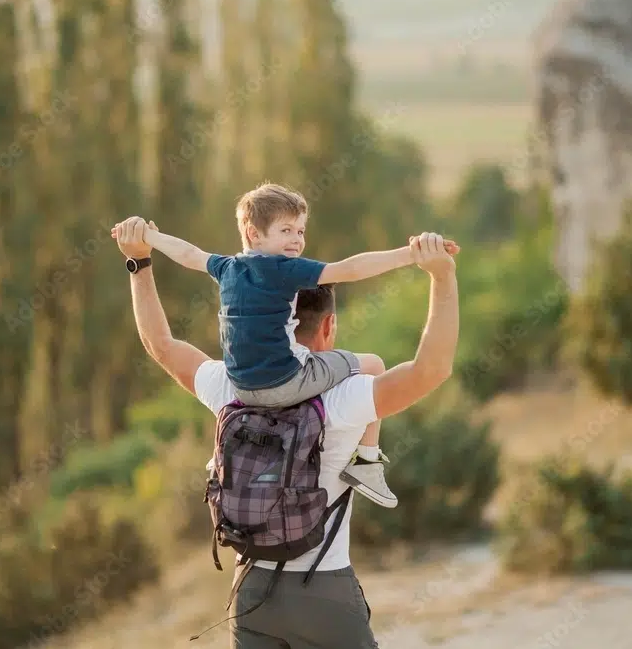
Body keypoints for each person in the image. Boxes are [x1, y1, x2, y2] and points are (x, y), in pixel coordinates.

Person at [113, 216, 460, 649]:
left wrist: (139, 264)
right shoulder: (344, 397)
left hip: (249, 594)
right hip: (324, 592)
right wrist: (441, 277)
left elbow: (161, 344)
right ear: (328, 327)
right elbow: (432, 368)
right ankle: (368, 464)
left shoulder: (231, 386)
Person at [116, 183, 457, 508]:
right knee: (373, 363)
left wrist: (147, 244)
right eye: (286, 230)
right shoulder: (284, 271)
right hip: (288, 384)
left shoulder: (226, 268)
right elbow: (350, 269)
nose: (297, 240)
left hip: (242, 390)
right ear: (253, 233)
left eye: (300, 231)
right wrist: (414, 257)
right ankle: (367, 460)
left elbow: (178, 284)